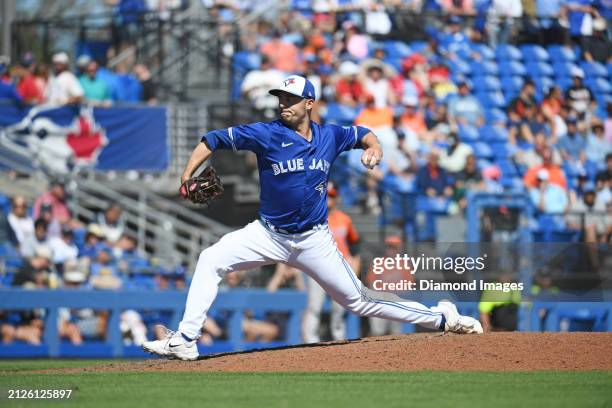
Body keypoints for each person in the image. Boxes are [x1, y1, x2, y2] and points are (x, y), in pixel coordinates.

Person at [142, 74, 482, 360]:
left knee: (359, 300)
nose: (283, 104)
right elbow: (212, 139)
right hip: (268, 234)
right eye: (280, 98)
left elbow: (363, 132)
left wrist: (374, 147)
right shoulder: (267, 133)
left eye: (290, 99)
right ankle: (185, 340)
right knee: (210, 258)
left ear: (309, 103)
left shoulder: (329, 136)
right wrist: (187, 174)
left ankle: (440, 318)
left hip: (313, 239)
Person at [302, 186, 361, 343]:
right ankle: (310, 339)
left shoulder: (344, 219)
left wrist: (354, 267)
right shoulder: (311, 217)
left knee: (339, 306)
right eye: (327, 195)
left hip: (340, 266)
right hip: (317, 266)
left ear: (336, 199)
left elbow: (355, 245)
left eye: (332, 196)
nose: (330, 199)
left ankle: (338, 337)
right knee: (315, 305)